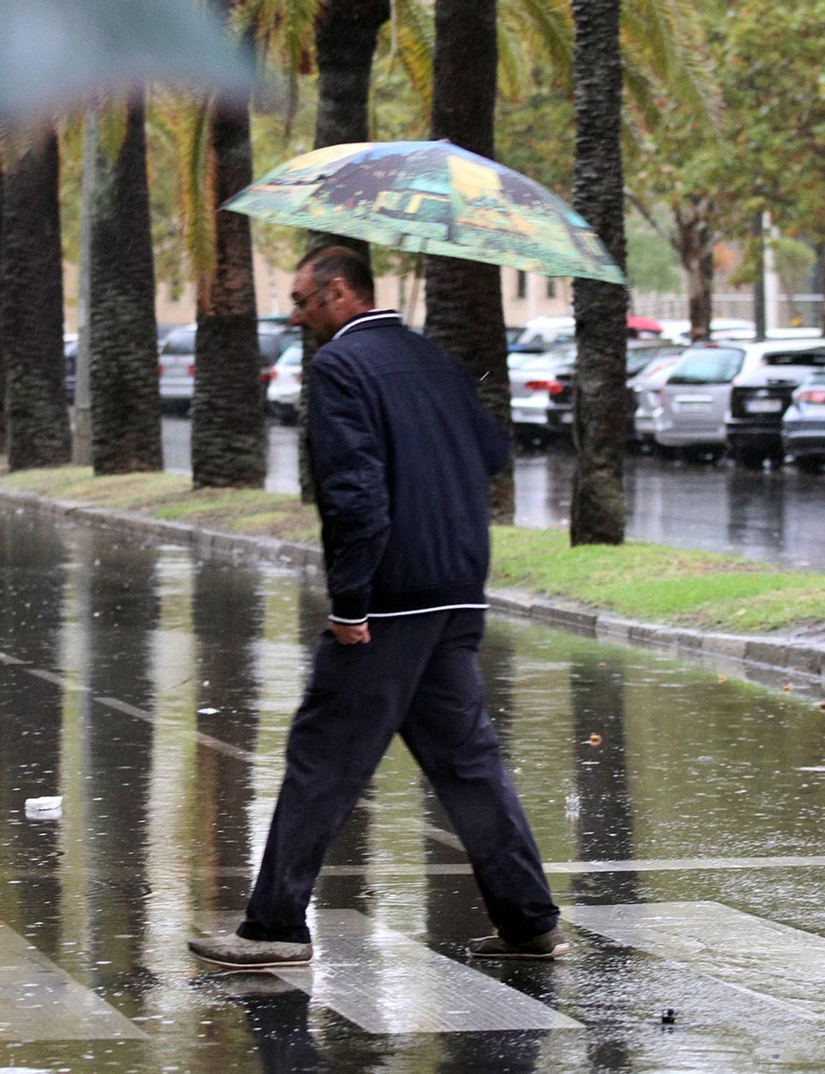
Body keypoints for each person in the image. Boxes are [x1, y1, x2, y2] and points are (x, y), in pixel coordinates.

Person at [188, 246, 567, 968]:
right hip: (457, 591)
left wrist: (350, 603)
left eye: (302, 301)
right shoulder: (437, 361)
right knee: (468, 764)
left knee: (323, 757)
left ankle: (273, 930)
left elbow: (354, 494)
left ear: (339, 294)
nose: (296, 316)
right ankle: (529, 923)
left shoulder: (340, 368)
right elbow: (492, 454)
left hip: (389, 600)